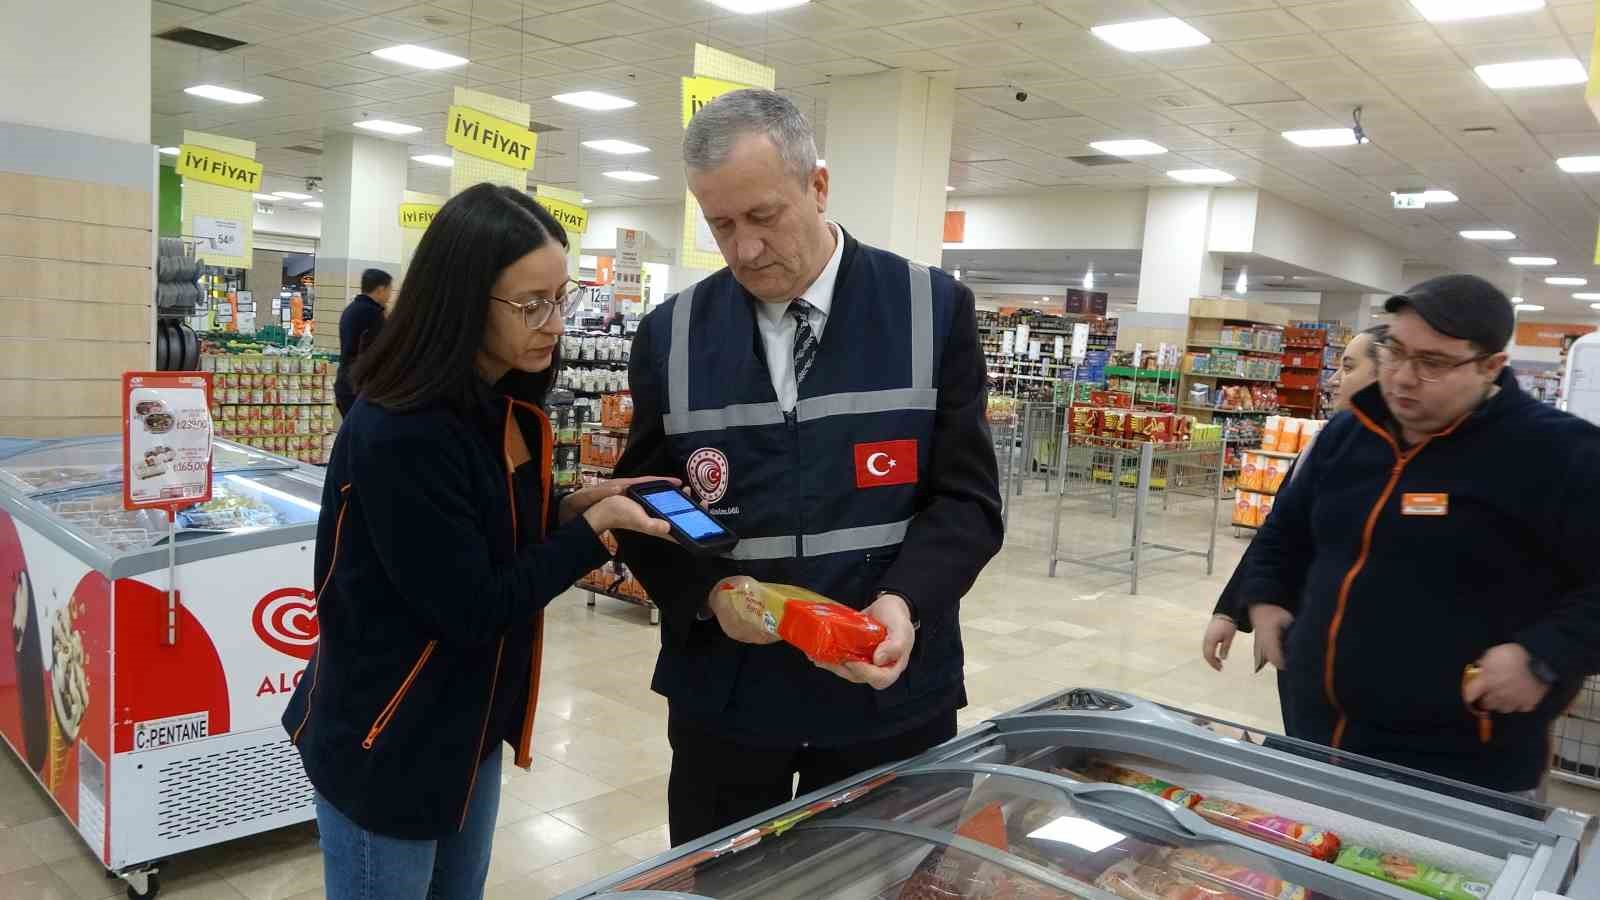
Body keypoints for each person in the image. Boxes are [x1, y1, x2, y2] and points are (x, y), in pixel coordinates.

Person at [612, 89, 1004, 846]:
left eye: (763, 216)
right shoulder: (671, 334)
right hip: (727, 701)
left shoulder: (932, 310)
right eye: (721, 225)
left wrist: (904, 603)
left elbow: (966, 501)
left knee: (883, 882)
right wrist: (708, 589)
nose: (745, 249)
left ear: (817, 186)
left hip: (885, 691)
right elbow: (651, 502)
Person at [282, 184, 675, 900]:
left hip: (465, 725)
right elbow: (470, 603)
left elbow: (478, 528)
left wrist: (567, 508)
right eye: (532, 304)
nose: (555, 323)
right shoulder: (403, 428)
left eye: (562, 299)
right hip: (389, 735)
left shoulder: (499, 402)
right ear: (463, 300)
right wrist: (593, 534)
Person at [1237, 274, 1600, 795]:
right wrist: (1265, 598)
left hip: (1461, 763)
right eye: (1394, 352)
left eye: (1432, 363)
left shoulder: (1558, 453)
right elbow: (1285, 529)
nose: (1402, 378)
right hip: (1317, 734)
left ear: (1491, 366)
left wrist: (1544, 656)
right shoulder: (1350, 432)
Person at [1201, 324, 1387, 671]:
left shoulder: (1410, 465)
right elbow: (1281, 530)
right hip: (1300, 636)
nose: (1332, 381)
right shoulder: (1324, 444)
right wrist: (1234, 609)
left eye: (1348, 368)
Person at [334, 268, 392, 415]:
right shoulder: (373, 314)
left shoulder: (351, 309)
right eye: (389, 289)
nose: (390, 295)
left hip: (344, 383)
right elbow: (381, 350)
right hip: (360, 388)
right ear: (380, 289)